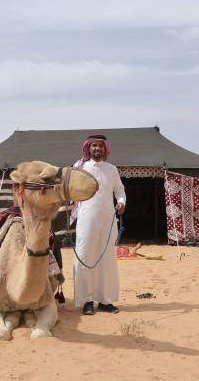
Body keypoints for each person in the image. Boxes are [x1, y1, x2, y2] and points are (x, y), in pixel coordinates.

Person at [71, 134, 126, 315]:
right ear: (88, 148)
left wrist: (121, 203)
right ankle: (86, 301)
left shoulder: (112, 169)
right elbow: (70, 189)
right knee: (85, 257)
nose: (97, 149)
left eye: (101, 146)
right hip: (86, 220)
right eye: (94, 146)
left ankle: (105, 300)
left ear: (105, 149)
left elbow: (119, 190)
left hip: (108, 221)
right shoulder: (80, 168)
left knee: (107, 260)